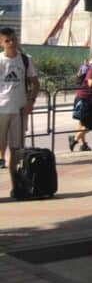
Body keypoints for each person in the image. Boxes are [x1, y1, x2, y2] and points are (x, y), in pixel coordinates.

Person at [0, 28, 39, 180]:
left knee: (16, 150)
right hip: (1, 110)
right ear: (1, 42)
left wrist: (31, 102)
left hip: (19, 110)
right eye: (7, 40)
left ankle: (16, 184)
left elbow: (35, 84)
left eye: (14, 39)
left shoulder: (26, 59)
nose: (11, 43)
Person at [70, 59, 92, 152]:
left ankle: (83, 145)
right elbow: (90, 82)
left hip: (85, 97)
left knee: (82, 123)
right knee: (90, 123)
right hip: (85, 99)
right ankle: (75, 139)